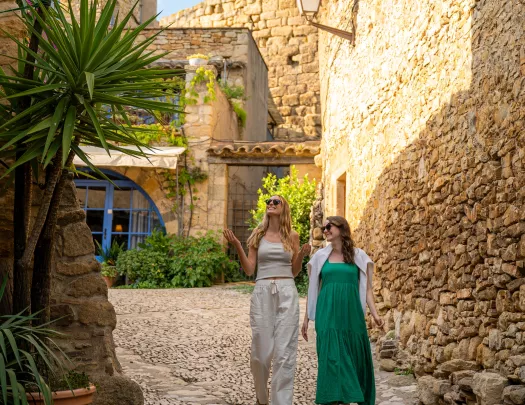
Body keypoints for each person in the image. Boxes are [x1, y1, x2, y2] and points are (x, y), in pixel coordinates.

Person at [224, 195, 311, 405]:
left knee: (284, 352)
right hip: (262, 291)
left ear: (284, 208)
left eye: (276, 202)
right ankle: (262, 399)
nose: (271, 204)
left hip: (287, 291)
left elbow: (295, 270)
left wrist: (302, 255)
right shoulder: (258, 235)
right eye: (268, 202)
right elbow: (248, 269)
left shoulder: (292, 235)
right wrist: (236, 244)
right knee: (260, 354)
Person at [301, 216, 383, 405]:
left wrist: (376, 314)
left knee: (353, 358)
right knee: (331, 359)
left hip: (351, 315)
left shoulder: (359, 256)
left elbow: (368, 289)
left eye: (329, 226)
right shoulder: (320, 257)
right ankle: (333, 399)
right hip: (327, 314)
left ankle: (348, 398)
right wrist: (306, 318)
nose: (326, 230)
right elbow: (313, 289)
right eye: (324, 228)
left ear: (342, 229)